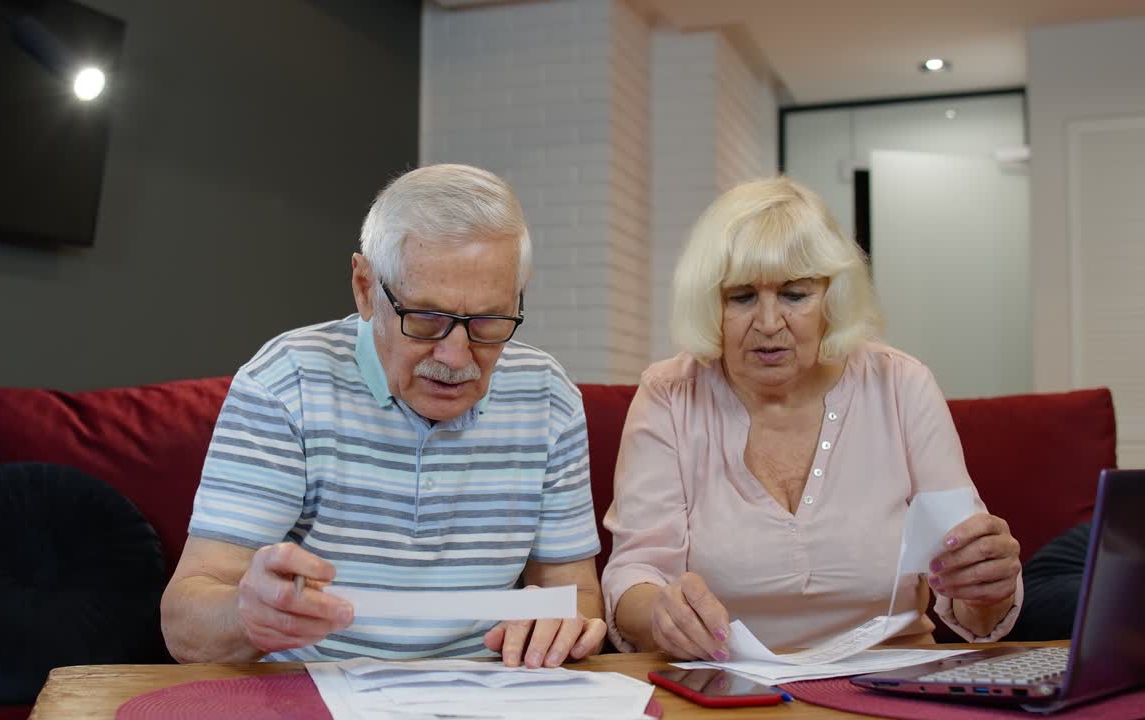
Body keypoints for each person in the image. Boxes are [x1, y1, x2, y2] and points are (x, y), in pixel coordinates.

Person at [161, 164, 606, 667]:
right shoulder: (286, 383)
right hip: (312, 694)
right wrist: (248, 615)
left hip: (487, 694)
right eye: (427, 318)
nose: (457, 357)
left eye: (488, 321)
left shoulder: (548, 396)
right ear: (365, 287)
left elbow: (573, 593)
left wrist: (564, 625)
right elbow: (185, 625)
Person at [601, 177, 1023, 660]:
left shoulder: (901, 385)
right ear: (709, 302)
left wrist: (987, 586)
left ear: (831, 297)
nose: (767, 323)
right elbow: (635, 572)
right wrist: (659, 612)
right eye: (741, 297)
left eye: (794, 295)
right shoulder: (669, 395)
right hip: (724, 684)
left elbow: (971, 601)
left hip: (889, 681)